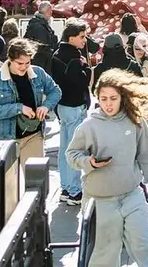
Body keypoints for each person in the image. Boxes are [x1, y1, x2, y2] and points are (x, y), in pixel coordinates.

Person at [66, 69, 148, 267]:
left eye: (113, 98)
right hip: (99, 200)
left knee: (146, 247)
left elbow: (147, 154)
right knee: (104, 255)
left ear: (122, 97)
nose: (108, 103)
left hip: (132, 195)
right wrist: (89, 163)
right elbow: (71, 155)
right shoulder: (88, 126)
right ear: (97, 98)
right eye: (103, 99)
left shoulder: (135, 121)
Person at [0, 38, 62, 168]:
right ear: (10, 60)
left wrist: (46, 106)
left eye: (27, 63)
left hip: (33, 135)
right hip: (4, 139)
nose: (24, 67)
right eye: (20, 63)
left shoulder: (38, 73)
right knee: (7, 186)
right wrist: (19, 108)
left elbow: (55, 91)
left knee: (34, 181)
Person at [51, 19, 94, 206]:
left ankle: (67, 188)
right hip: (75, 105)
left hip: (63, 105)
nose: (84, 40)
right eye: (82, 37)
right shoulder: (74, 58)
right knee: (75, 150)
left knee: (65, 149)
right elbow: (81, 82)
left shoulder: (57, 54)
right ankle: (74, 191)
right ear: (71, 38)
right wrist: (85, 67)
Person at [24, 1, 59, 74]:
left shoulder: (37, 24)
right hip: (41, 64)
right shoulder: (39, 26)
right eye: (50, 11)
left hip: (38, 62)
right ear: (47, 11)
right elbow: (43, 47)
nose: (51, 14)